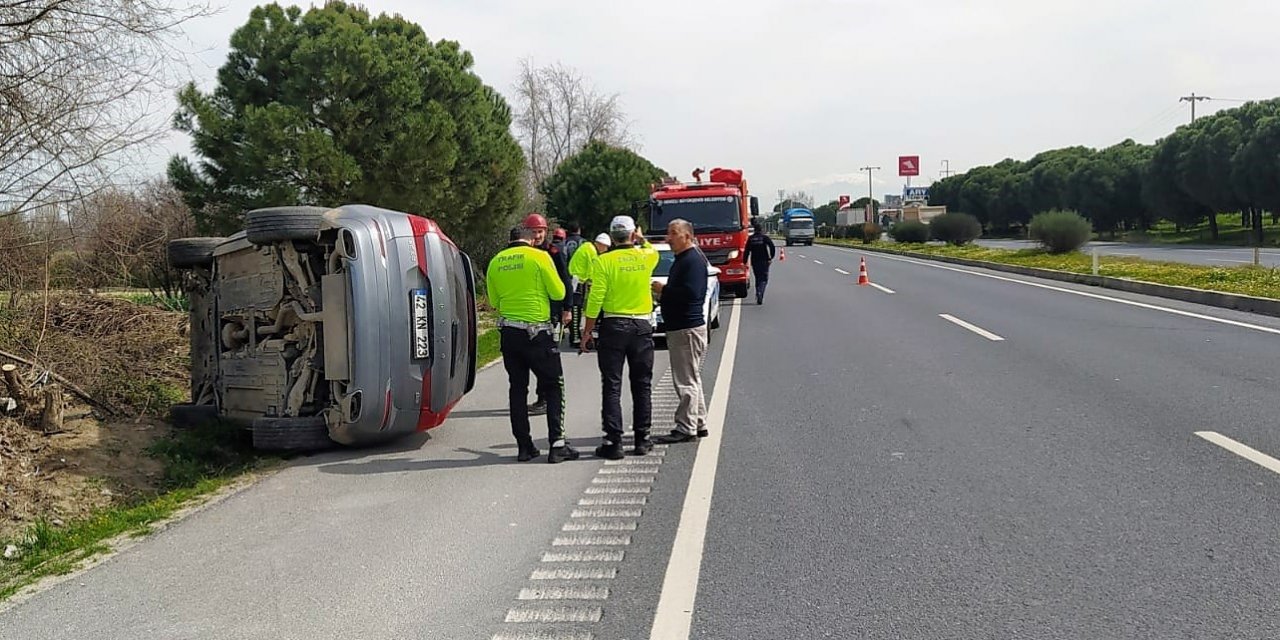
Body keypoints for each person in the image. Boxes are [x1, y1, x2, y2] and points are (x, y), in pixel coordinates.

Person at [485, 225, 579, 464]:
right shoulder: (540, 257)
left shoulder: (496, 261)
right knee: (554, 385)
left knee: (517, 389)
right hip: (537, 333)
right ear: (530, 240)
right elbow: (558, 292)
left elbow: (495, 300)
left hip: (509, 333)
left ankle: (524, 447)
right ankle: (557, 444)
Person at [581, 215, 659, 459]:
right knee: (642, 384)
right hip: (642, 325)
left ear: (612, 236)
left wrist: (587, 331)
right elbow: (648, 247)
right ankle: (642, 439)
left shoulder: (603, 261)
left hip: (614, 325)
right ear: (632, 234)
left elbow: (595, 299)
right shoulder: (647, 257)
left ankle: (613, 442)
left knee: (612, 385)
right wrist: (640, 237)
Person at [651, 219, 710, 443]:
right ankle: (699, 422)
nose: (669, 238)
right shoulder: (683, 259)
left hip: (687, 328)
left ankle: (686, 427)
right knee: (691, 378)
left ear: (687, 236)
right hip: (682, 326)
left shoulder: (692, 260)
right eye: (668, 233)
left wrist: (664, 290)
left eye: (674, 233)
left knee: (685, 381)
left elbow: (691, 293)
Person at [523, 213, 572, 416]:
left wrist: (567, 309)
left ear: (546, 232)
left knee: (546, 357)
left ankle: (544, 398)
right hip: (531, 312)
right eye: (534, 232)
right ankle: (542, 396)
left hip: (551, 312)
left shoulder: (554, 252)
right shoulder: (524, 253)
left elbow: (566, 281)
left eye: (540, 231)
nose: (537, 235)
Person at [566, 232, 611, 348]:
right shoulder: (591, 251)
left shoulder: (587, 247)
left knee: (577, 309)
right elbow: (593, 272)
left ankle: (575, 336)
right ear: (600, 244)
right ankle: (575, 338)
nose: (605, 250)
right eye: (605, 247)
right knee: (576, 310)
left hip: (577, 280)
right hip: (577, 282)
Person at [741, 220, 776, 305]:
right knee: (764, 279)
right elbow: (772, 247)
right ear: (761, 230)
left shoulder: (751, 239)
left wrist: (744, 262)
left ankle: (758, 292)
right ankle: (760, 292)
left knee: (757, 278)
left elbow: (746, 251)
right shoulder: (764, 238)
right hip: (764, 261)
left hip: (755, 261)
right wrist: (771, 257)